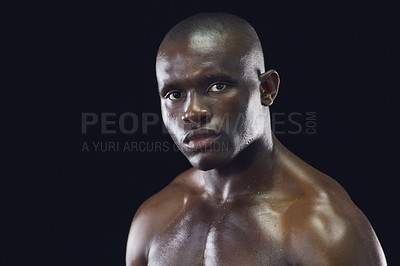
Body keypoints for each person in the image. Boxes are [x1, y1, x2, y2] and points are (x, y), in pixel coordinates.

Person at [126, 12, 386, 265]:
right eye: (174, 95)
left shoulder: (323, 228)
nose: (192, 112)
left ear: (267, 89)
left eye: (217, 86)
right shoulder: (154, 219)